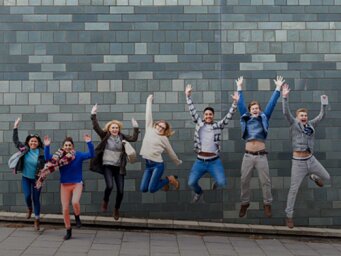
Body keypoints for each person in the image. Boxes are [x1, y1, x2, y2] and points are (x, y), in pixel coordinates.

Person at [282, 84, 330, 229]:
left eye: (305, 115)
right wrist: (284, 97)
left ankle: (313, 176)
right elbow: (286, 113)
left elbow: (322, 116)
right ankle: (289, 216)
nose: (304, 117)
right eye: (301, 115)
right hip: (298, 162)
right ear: (297, 117)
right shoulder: (294, 123)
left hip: (311, 159)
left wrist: (324, 104)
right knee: (293, 190)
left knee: (326, 177)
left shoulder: (311, 124)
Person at [236, 76, 284, 218]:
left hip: (261, 155)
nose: (255, 110)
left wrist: (277, 88)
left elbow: (272, 104)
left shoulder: (264, 117)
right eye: (253, 108)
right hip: (248, 155)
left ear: (260, 110)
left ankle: (267, 204)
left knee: (265, 181)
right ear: (250, 110)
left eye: (257, 108)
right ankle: (245, 203)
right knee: (244, 180)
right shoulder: (246, 118)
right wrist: (239, 87)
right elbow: (240, 104)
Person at [185, 84, 239, 203]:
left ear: (213, 116)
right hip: (200, 161)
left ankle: (216, 180)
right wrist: (188, 96)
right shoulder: (199, 123)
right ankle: (199, 192)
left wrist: (234, 103)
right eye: (206, 114)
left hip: (214, 161)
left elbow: (228, 117)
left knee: (222, 183)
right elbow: (192, 111)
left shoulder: (217, 126)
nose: (208, 116)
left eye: (210, 114)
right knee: (191, 183)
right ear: (204, 116)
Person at [36, 135, 94, 240]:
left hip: (77, 183)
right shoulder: (59, 157)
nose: (68, 147)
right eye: (66, 145)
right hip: (65, 185)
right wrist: (47, 146)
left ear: (73, 146)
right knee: (65, 209)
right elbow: (47, 158)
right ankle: (68, 230)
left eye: (69, 145)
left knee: (75, 202)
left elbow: (91, 154)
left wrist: (89, 142)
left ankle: (77, 216)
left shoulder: (78, 155)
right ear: (63, 147)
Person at [90, 104, 139, 220]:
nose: (115, 129)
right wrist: (93, 114)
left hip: (119, 167)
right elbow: (96, 127)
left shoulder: (122, 137)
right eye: (113, 128)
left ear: (119, 129)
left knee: (121, 191)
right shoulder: (105, 136)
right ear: (109, 129)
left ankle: (116, 209)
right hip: (107, 165)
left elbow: (134, 138)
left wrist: (136, 128)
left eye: (116, 128)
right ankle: (105, 201)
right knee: (110, 186)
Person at [139, 94, 182, 193]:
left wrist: (177, 161)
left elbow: (171, 152)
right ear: (156, 124)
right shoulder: (149, 128)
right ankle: (164, 181)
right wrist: (149, 101)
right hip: (148, 165)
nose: (160, 128)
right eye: (159, 125)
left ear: (165, 130)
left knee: (152, 189)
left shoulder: (164, 138)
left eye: (163, 128)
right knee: (143, 189)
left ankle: (170, 179)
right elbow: (148, 114)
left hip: (158, 165)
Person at [12, 117, 45, 231]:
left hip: (37, 179)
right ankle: (29, 208)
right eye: (31, 141)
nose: (33, 142)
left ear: (38, 143)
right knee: (27, 196)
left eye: (35, 141)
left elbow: (48, 165)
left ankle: (36, 220)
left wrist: (42, 176)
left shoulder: (42, 153)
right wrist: (15, 127)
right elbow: (16, 141)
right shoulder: (24, 149)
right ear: (28, 142)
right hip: (26, 178)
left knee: (36, 198)